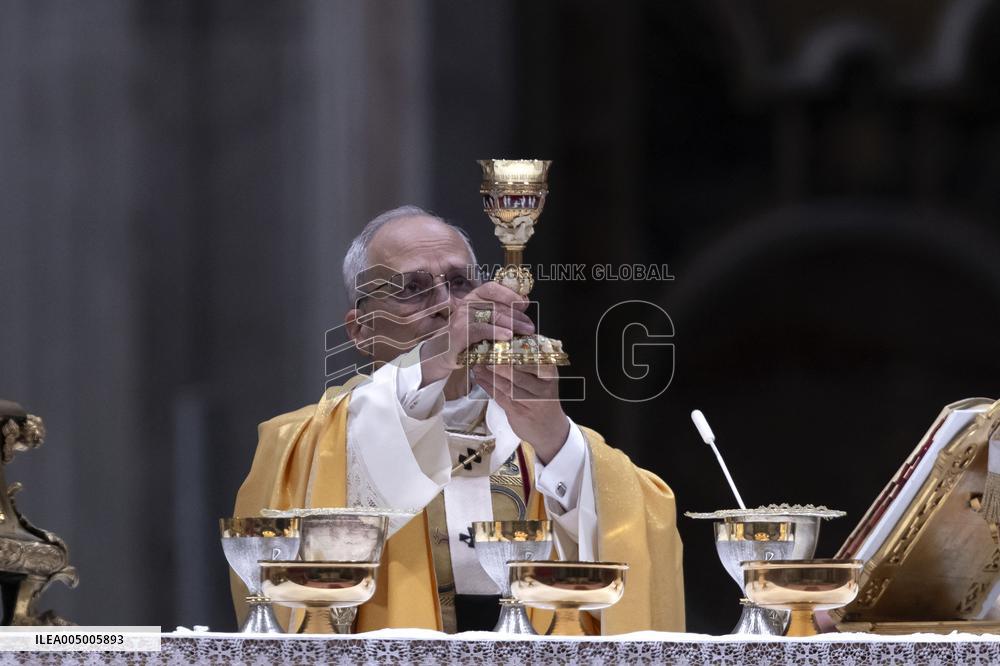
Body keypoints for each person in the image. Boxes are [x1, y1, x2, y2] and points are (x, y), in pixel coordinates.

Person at [232, 205, 684, 634]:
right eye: (411, 288)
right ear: (361, 329)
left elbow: (636, 528)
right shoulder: (309, 443)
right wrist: (437, 355)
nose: (449, 307)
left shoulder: (544, 436)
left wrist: (554, 439)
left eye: (461, 283)